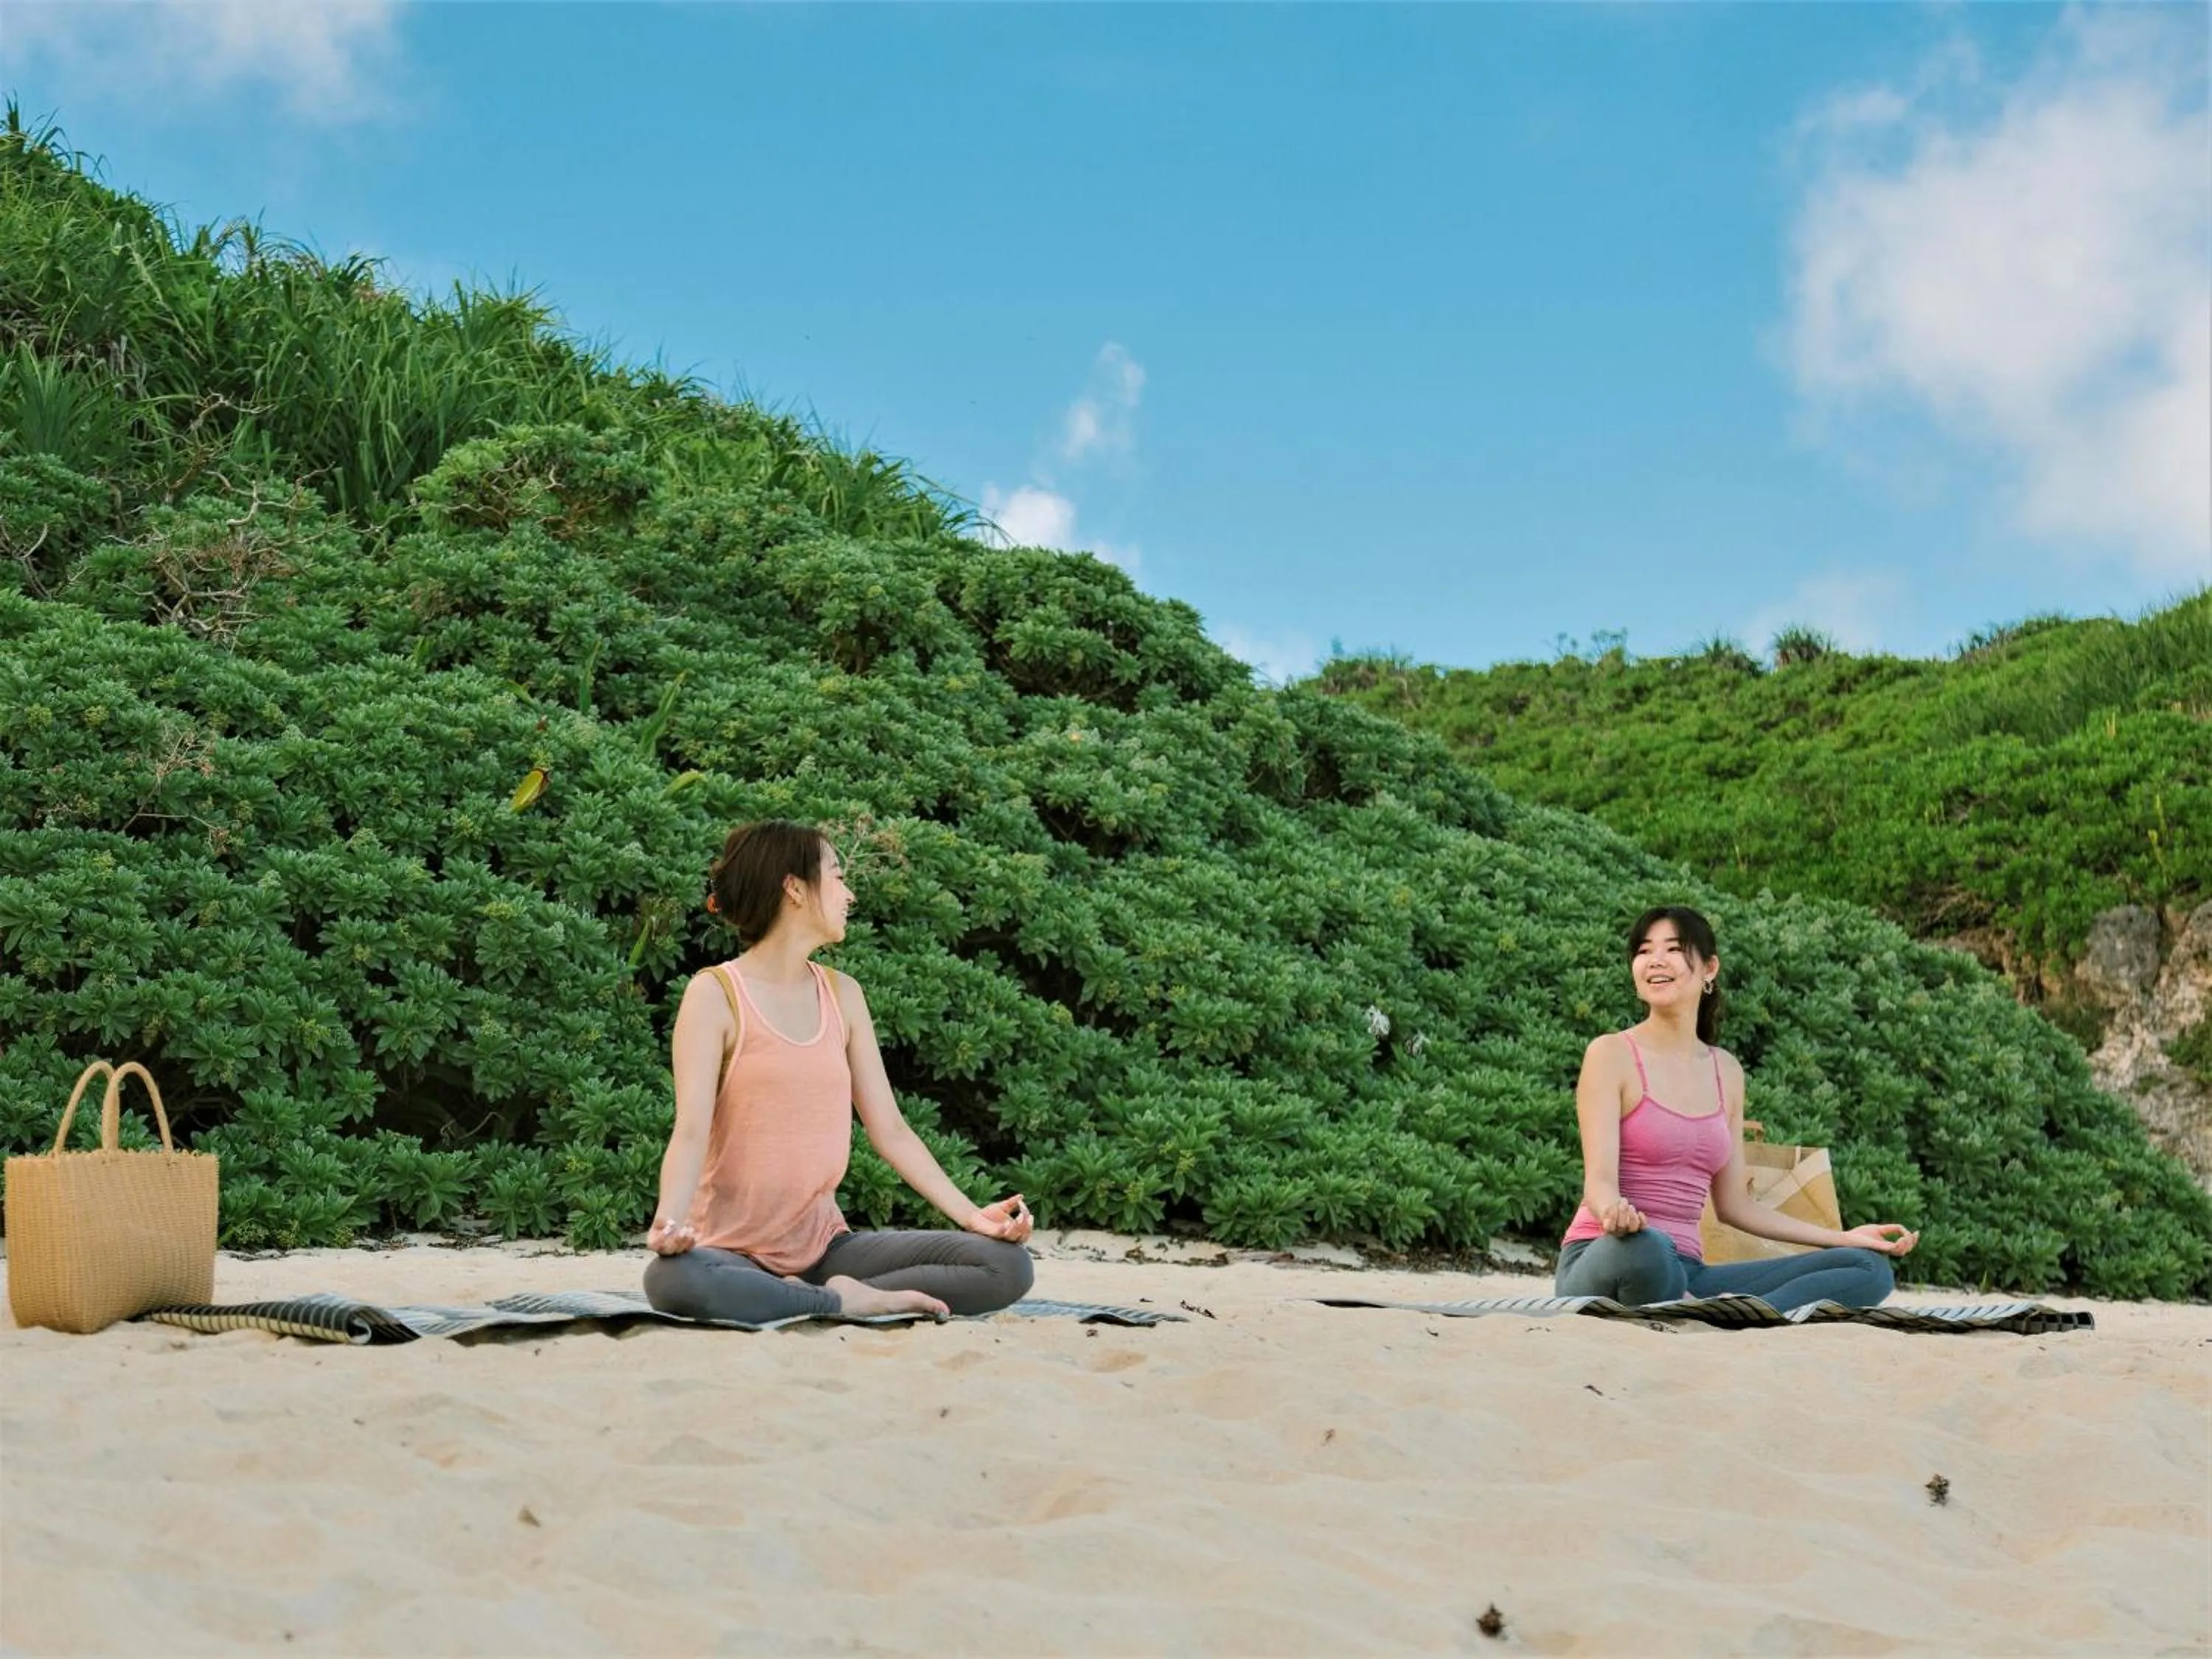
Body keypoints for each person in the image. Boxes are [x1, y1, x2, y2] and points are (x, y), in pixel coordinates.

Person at [643, 821, 1035, 1323]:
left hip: (827, 1250)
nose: (849, 893)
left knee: (1006, 1265)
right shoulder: (716, 995)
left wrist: (971, 1216)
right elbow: (692, 1130)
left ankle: (825, 1294)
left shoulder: (842, 994)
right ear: (794, 888)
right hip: (731, 1253)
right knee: (671, 1280)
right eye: (837, 875)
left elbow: (890, 1130)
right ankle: (841, 1302)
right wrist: (669, 1221)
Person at [1556, 905, 1917, 1314]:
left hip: (1689, 1273)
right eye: (1643, 951)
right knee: (1651, 1247)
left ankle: (1736, 1315)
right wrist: (1613, 1213)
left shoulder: (1725, 1071)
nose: (1654, 960)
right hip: (1611, 1255)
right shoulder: (1611, 1054)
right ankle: (1720, 1310)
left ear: (1709, 968)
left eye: (1673, 949)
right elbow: (1598, 1182)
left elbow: (1735, 1206)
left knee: (1868, 1268)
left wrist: (1843, 1237)